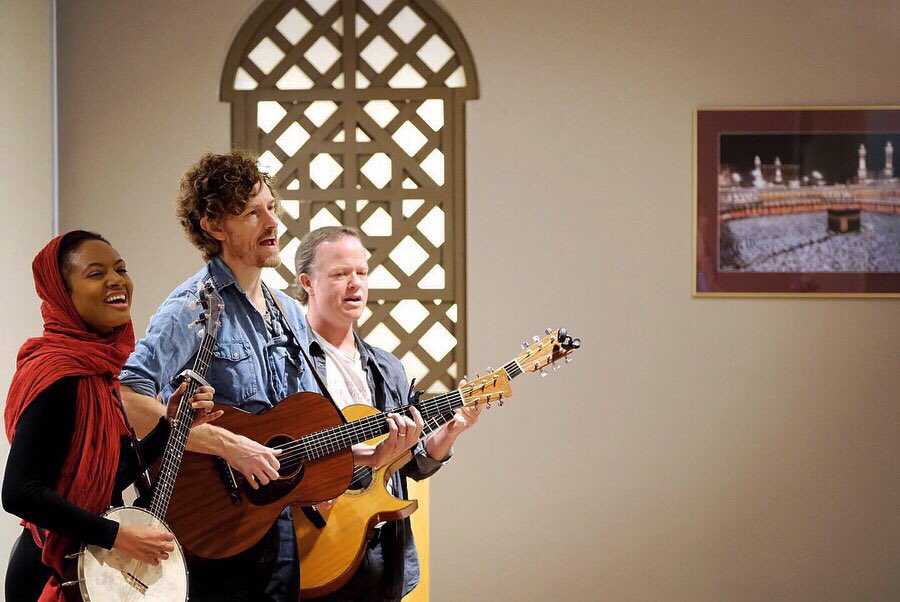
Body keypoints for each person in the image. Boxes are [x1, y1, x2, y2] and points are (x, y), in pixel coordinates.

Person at [119, 151, 377, 600]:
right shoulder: (191, 307)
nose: (271, 223)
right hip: (212, 526)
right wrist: (228, 445)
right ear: (214, 226)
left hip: (276, 526)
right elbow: (128, 399)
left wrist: (363, 454)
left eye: (271, 208)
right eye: (251, 213)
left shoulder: (289, 314)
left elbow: (297, 426)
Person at [2, 230, 217, 602]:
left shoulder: (101, 374)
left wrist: (170, 428)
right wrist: (116, 535)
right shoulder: (59, 374)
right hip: (50, 572)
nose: (116, 280)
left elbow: (107, 477)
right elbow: (20, 492)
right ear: (62, 295)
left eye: (120, 269)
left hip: (93, 560)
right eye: (96, 273)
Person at [295, 226, 481, 600]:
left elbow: (410, 464)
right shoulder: (287, 362)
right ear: (308, 283)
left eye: (361, 272)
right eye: (340, 274)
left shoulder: (386, 368)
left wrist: (449, 433)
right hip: (310, 542)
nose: (355, 284)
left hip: (382, 555)